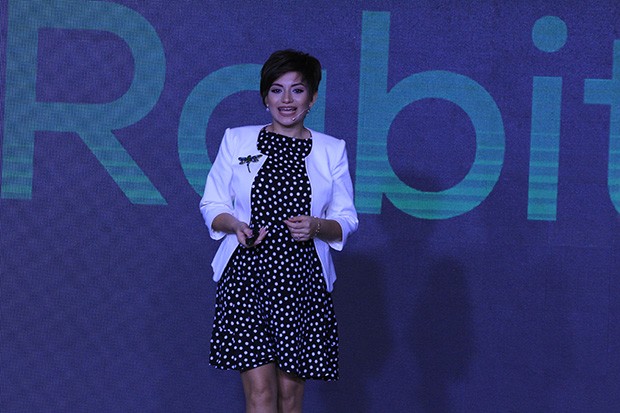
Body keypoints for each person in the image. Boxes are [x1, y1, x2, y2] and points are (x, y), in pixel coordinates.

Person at [199, 49, 358, 413]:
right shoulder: (237, 140)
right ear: (265, 97)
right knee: (260, 395)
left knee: (289, 398)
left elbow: (346, 219)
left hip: (301, 280)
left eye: (297, 90)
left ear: (312, 97)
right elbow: (212, 205)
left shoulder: (331, 150)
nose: (286, 100)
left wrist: (316, 226)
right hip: (247, 277)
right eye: (276, 90)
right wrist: (235, 225)